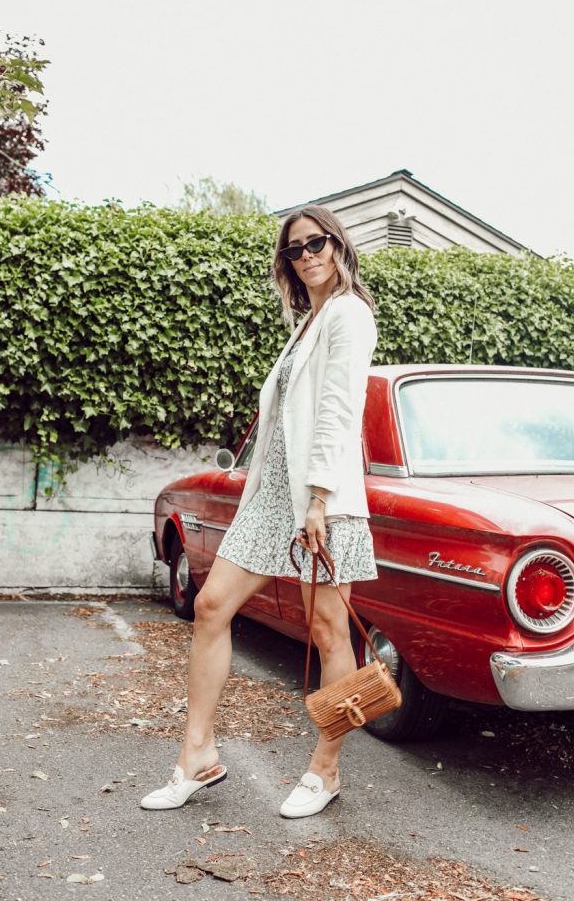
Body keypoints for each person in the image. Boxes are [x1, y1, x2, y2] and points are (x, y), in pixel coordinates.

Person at [140, 204, 378, 818]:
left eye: (317, 243)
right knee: (212, 605)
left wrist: (321, 499)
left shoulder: (349, 315)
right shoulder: (306, 324)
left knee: (327, 631)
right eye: (295, 250)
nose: (308, 256)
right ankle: (198, 756)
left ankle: (324, 771)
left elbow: (337, 411)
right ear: (288, 264)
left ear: (338, 245)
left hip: (318, 501)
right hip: (270, 498)